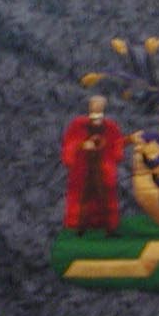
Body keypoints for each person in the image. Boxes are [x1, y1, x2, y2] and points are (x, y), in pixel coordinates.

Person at [62, 94, 125, 235]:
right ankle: (79, 227)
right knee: (82, 199)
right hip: (84, 170)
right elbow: (70, 144)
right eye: (94, 109)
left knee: (106, 198)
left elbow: (117, 145)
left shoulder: (110, 127)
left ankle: (109, 228)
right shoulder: (78, 125)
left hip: (102, 169)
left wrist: (113, 156)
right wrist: (82, 145)